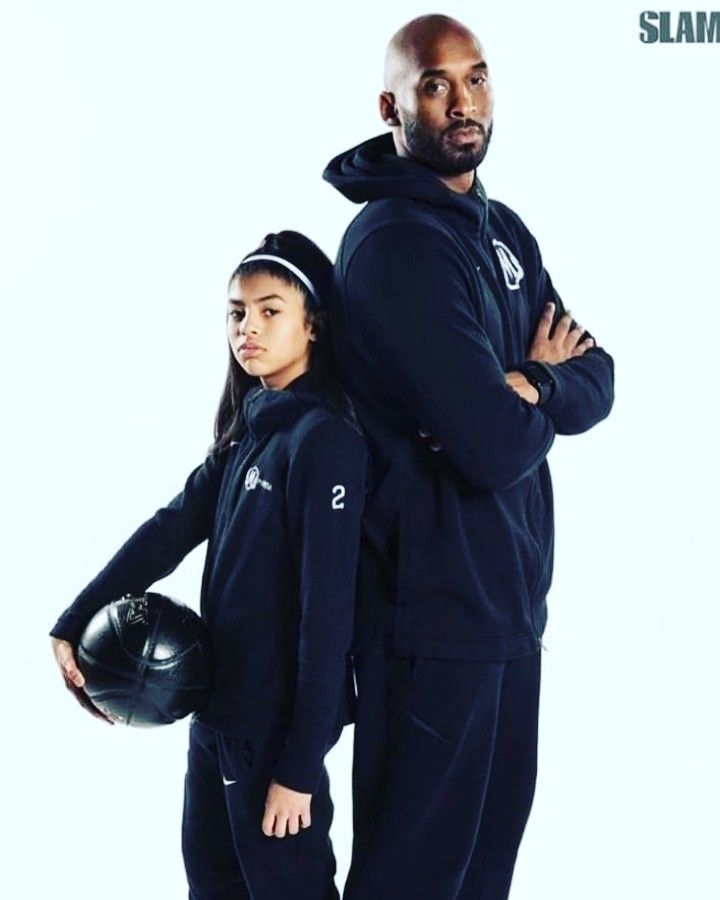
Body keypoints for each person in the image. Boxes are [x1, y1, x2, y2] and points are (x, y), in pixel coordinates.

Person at [322, 14, 615, 900]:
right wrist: (534, 381)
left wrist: (533, 386)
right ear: (392, 106)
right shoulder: (395, 247)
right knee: (415, 879)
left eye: (477, 79)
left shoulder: (501, 231)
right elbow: (490, 446)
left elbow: (598, 376)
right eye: (436, 84)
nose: (463, 103)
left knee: (483, 876)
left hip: (508, 609)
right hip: (430, 618)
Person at [49, 231, 367, 900]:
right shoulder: (252, 427)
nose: (247, 328)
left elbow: (328, 614)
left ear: (312, 326)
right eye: (236, 312)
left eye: (270, 310)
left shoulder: (324, 440)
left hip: (275, 737)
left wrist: (301, 767)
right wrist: (75, 621)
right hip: (216, 722)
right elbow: (169, 530)